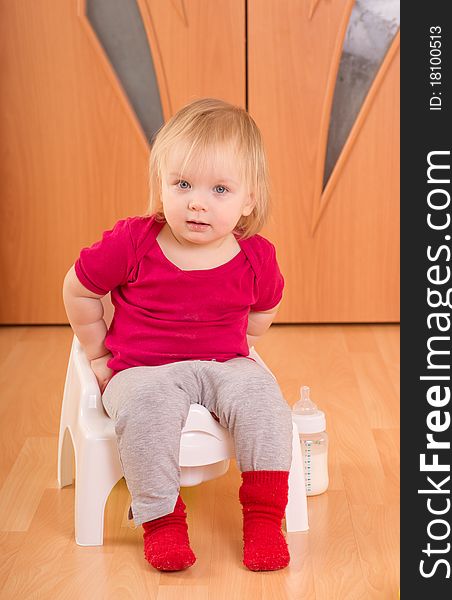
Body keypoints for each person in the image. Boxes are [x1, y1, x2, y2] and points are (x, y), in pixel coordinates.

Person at [62, 98, 293, 572]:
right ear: (161, 183)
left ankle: (266, 518)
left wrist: (241, 347)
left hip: (222, 363)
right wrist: (98, 353)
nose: (197, 201)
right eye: (182, 183)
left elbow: (264, 309)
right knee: (145, 408)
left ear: (248, 199)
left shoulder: (255, 257)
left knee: (266, 402)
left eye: (220, 189)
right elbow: (79, 289)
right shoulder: (135, 241)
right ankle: (162, 520)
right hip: (143, 369)